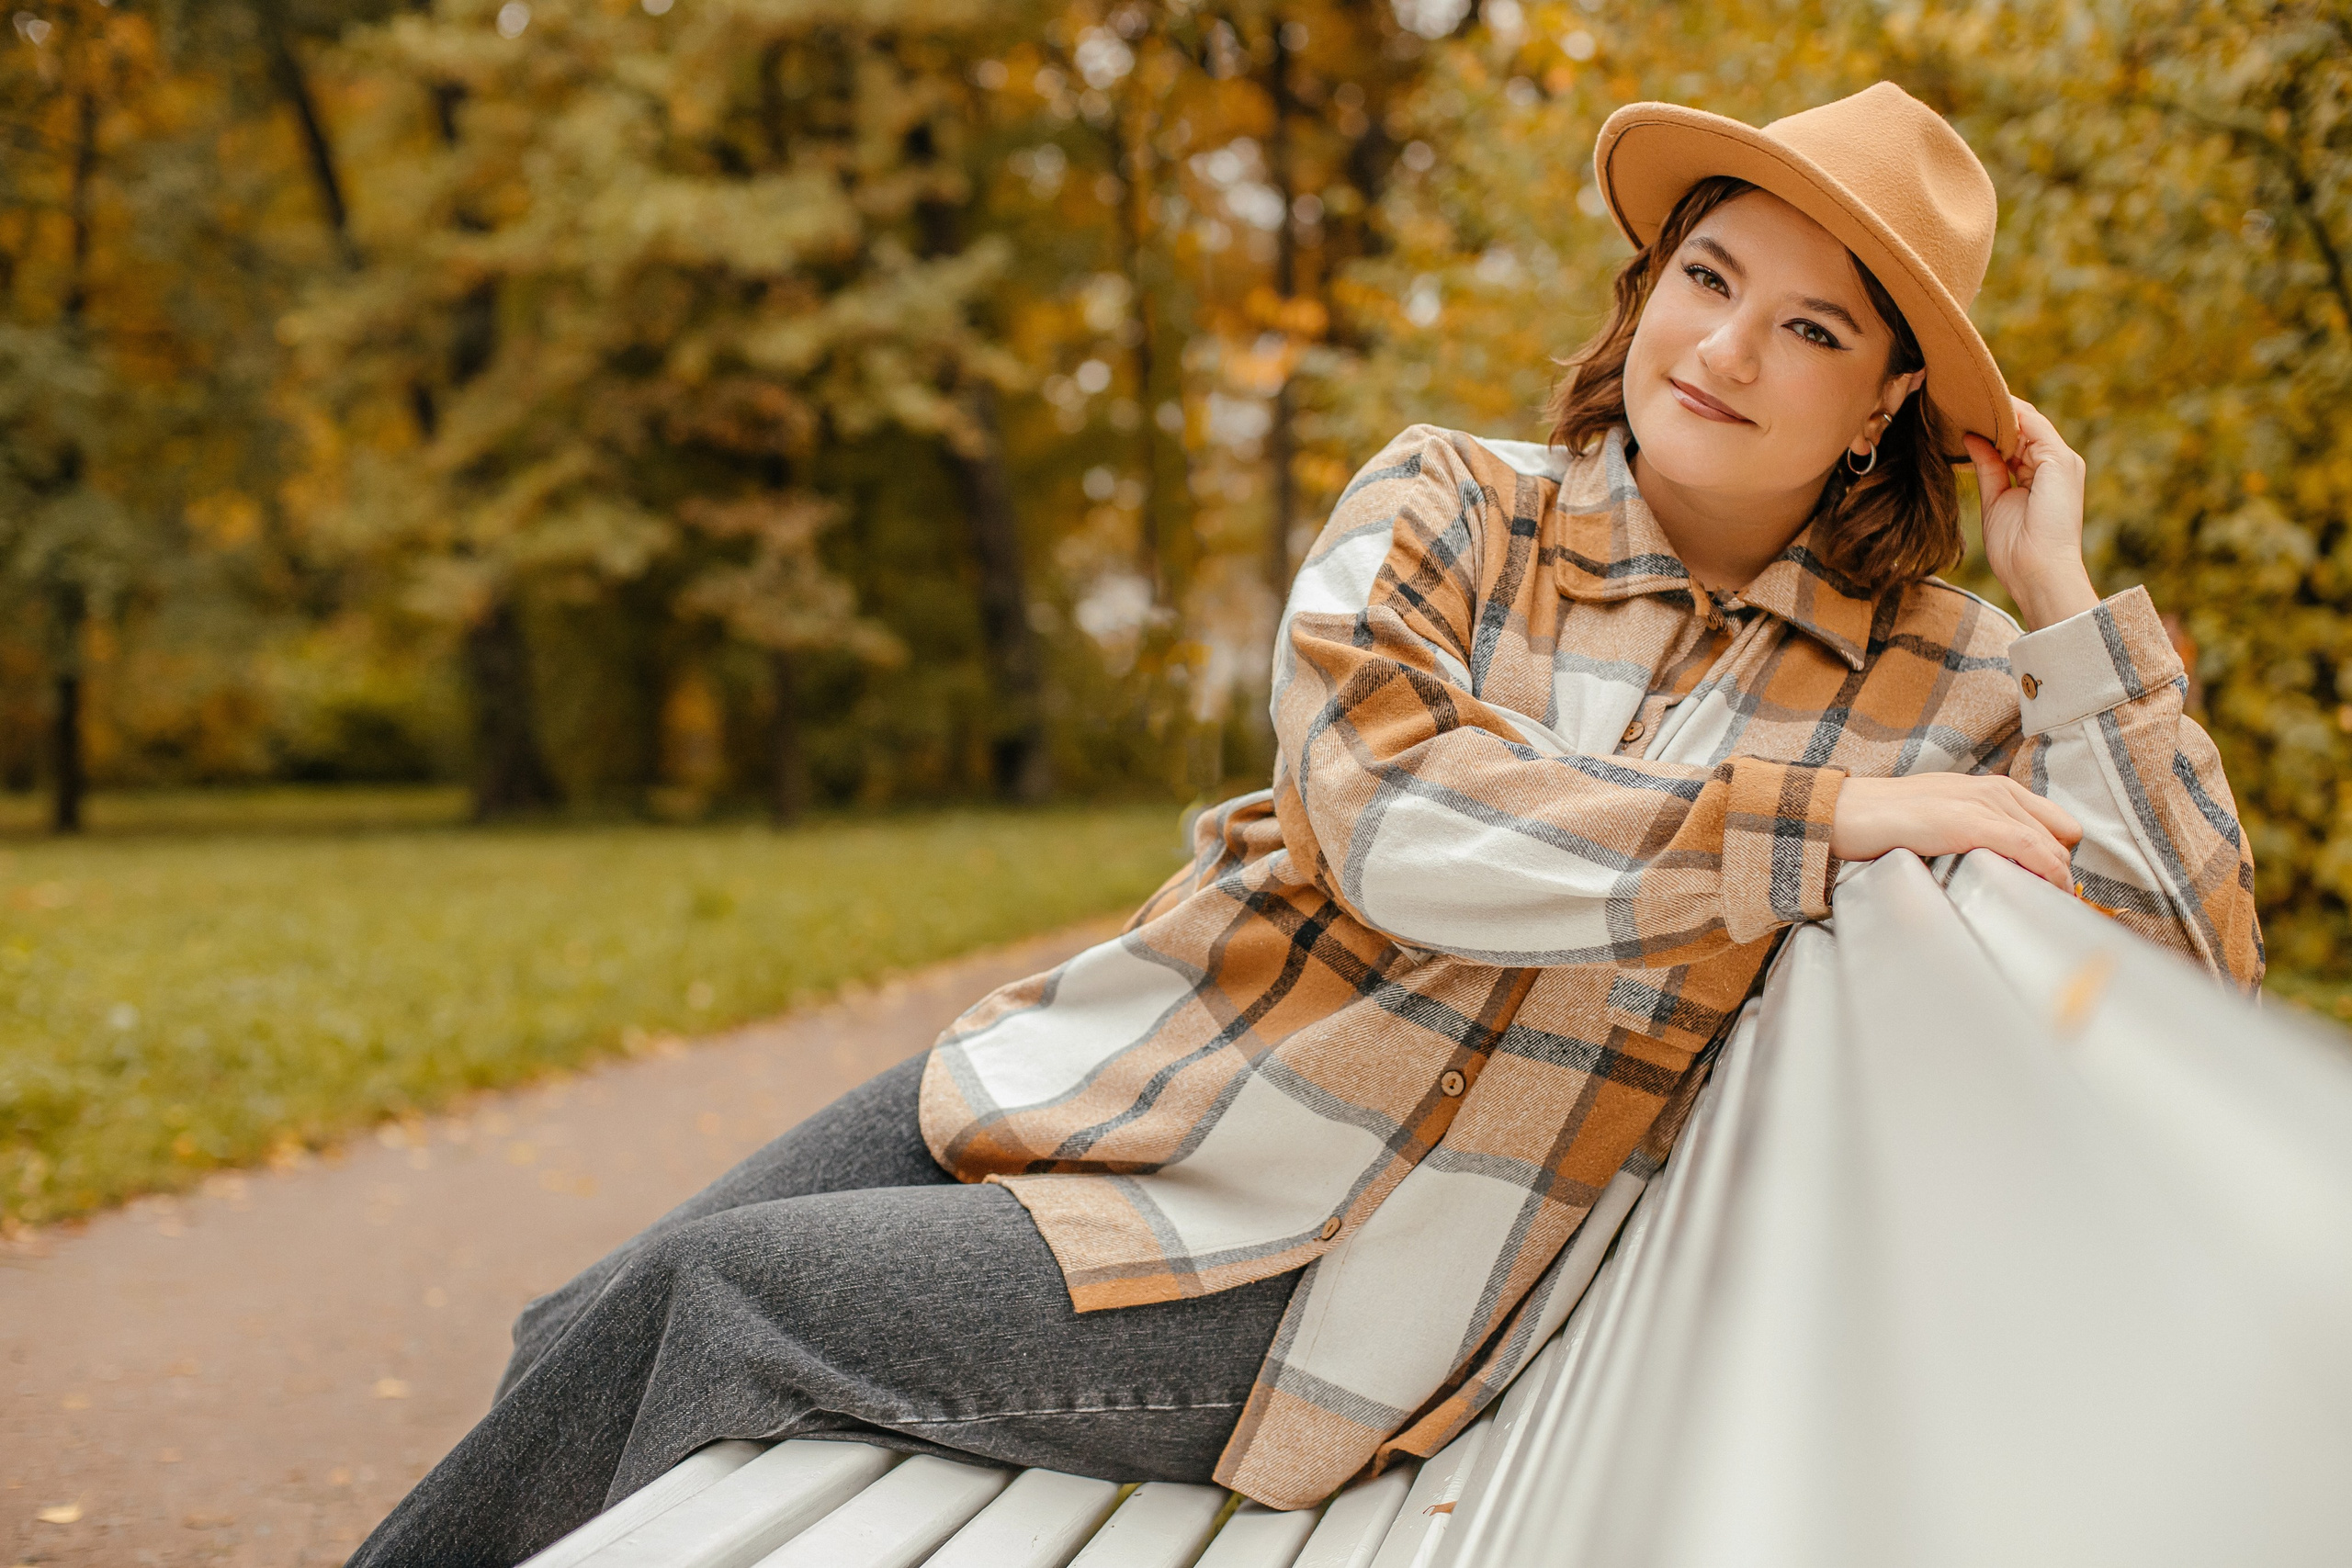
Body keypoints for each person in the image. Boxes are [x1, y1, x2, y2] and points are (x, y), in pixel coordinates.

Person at [349, 82, 2262, 1563]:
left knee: (714, 1303)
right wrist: (1813, 820)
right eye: (1705, 278)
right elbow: (1391, 808)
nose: (1726, 351)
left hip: (1299, 1267)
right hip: (1117, 1068)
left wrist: (2065, 597)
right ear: (1642, 288)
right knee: (584, 1317)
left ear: (1884, 407)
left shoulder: (1931, 683)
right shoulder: (1449, 501)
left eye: (1812, 330)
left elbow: (2183, 964)